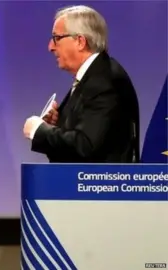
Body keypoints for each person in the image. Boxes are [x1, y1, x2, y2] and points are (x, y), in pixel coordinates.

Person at [23, 5, 140, 163]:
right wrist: (57, 125)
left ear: (80, 41)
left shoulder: (104, 80)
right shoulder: (94, 76)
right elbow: (87, 138)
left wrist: (39, 131)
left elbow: (85, 146)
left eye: (56, 38)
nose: (50, 47)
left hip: (100, 186)